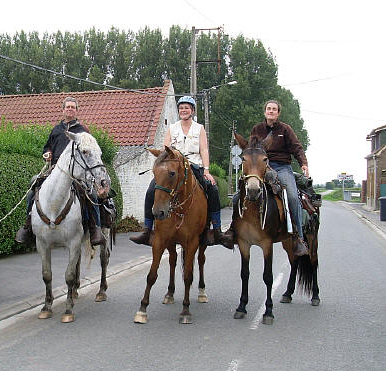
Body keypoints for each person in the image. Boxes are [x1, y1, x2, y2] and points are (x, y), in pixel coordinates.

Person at [129, 95, 233, 249]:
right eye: (181, 108)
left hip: (194, 166)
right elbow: (166, 150)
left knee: (212, 188)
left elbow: (203, 149)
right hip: (175, 167)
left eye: (187, 108)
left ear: (192, 110)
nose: (183, 110)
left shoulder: (199, 128)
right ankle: (147, 230)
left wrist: (207, 170)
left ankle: (217, 230)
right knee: (152, 189)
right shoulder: (172, 128)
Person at [221, 99, 309, 256]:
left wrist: (303, 163)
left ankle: (298, 237)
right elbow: (251, 149)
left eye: (274, 109)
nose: (271, 111)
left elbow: (297, 147)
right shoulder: (257, 129)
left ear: (278, 113)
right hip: (260, 166)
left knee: (293, 197)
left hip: (282, 167)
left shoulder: (285, 129)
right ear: (265, 112)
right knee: (237, 197)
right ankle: (233, 230)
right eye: (269, 109)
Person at [15, 96, 106, 247]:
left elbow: (91, 151)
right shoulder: (56, 129)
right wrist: (47, 153)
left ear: (77, 111)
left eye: (73, 107)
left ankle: (95, 228)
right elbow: (47, 146)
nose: (70, 109)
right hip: (55, 168)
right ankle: (28, 226)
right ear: (63, 110)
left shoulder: (83, 131)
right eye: (67, 107)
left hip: (77, 171)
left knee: (91, 194)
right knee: (33, 185)